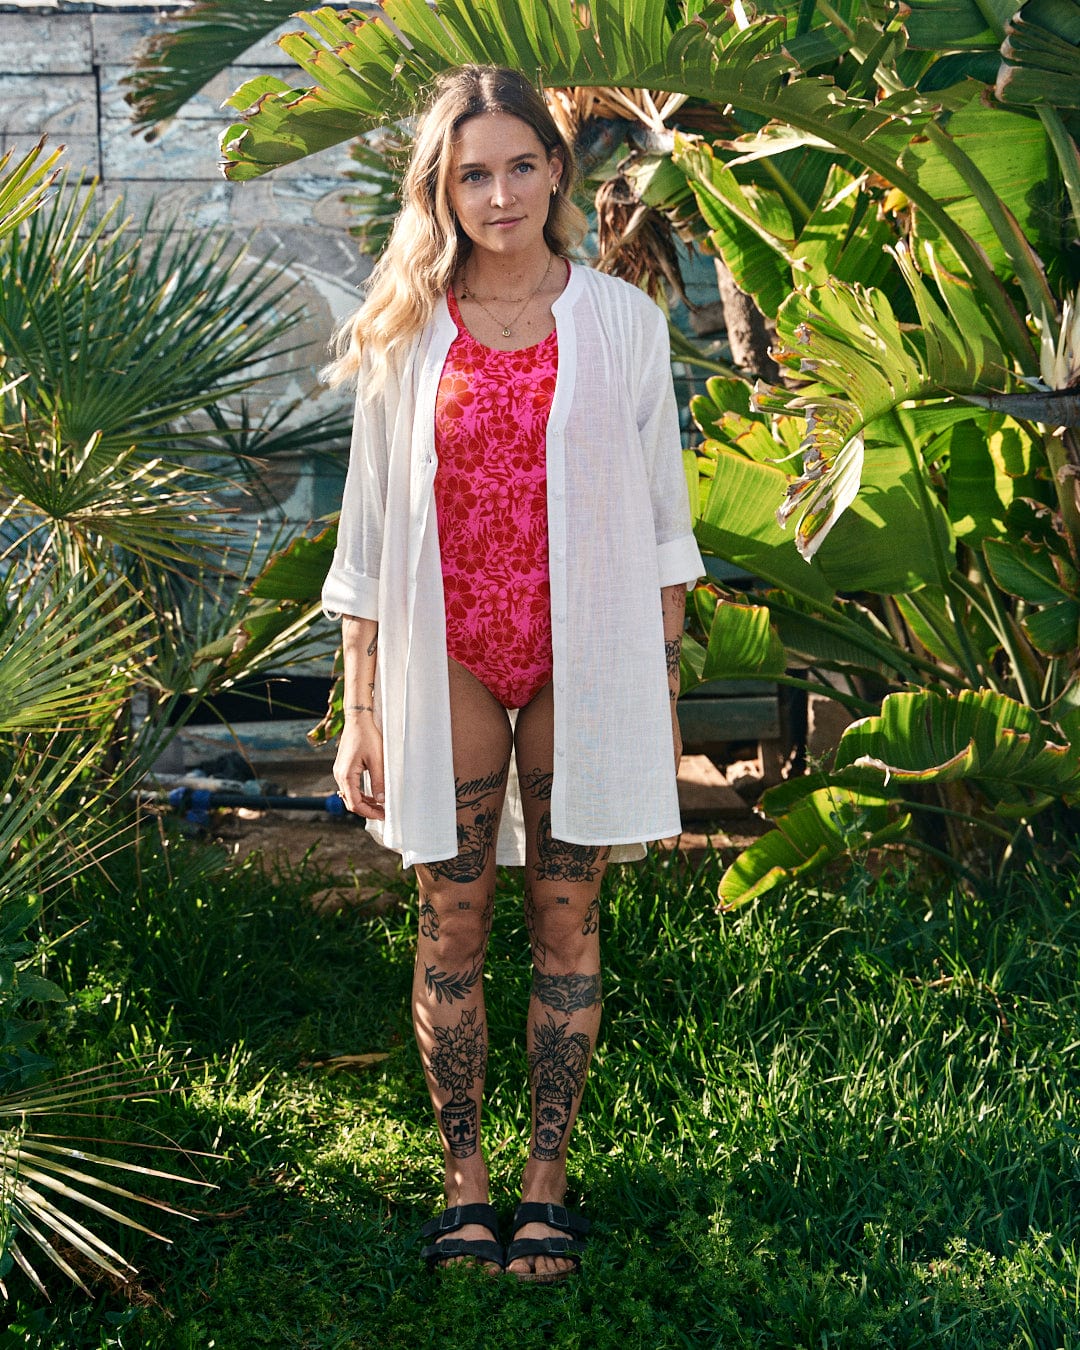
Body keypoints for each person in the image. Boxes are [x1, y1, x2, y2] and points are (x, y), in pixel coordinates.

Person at [321, 64, 703, 1283]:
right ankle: (464, 1187)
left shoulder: (621, 323)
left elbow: (663, 529)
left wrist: (661, 684)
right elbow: (369, 537)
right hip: (452, 656)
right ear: (443, 187)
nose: (499, 196)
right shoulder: (406, 332)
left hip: (583, 658)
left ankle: (545, 1188)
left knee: (567, 917)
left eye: (521, 167)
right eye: (472, 174)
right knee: (453, 920)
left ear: (556, 171)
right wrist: (362, 709)